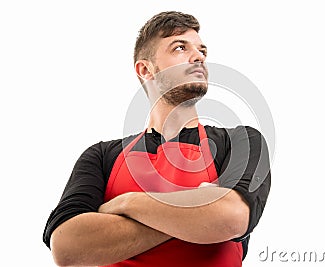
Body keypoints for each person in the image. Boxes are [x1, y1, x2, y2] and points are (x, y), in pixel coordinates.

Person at [43, 11, 271, 267]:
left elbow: (231, 218)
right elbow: (68, 247)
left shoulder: (242, 141)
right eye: (180, 47)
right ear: (146, 70)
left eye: (202, 51)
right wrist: (199, 214)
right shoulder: (101, 156)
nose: (198, 57)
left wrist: (126, 203)